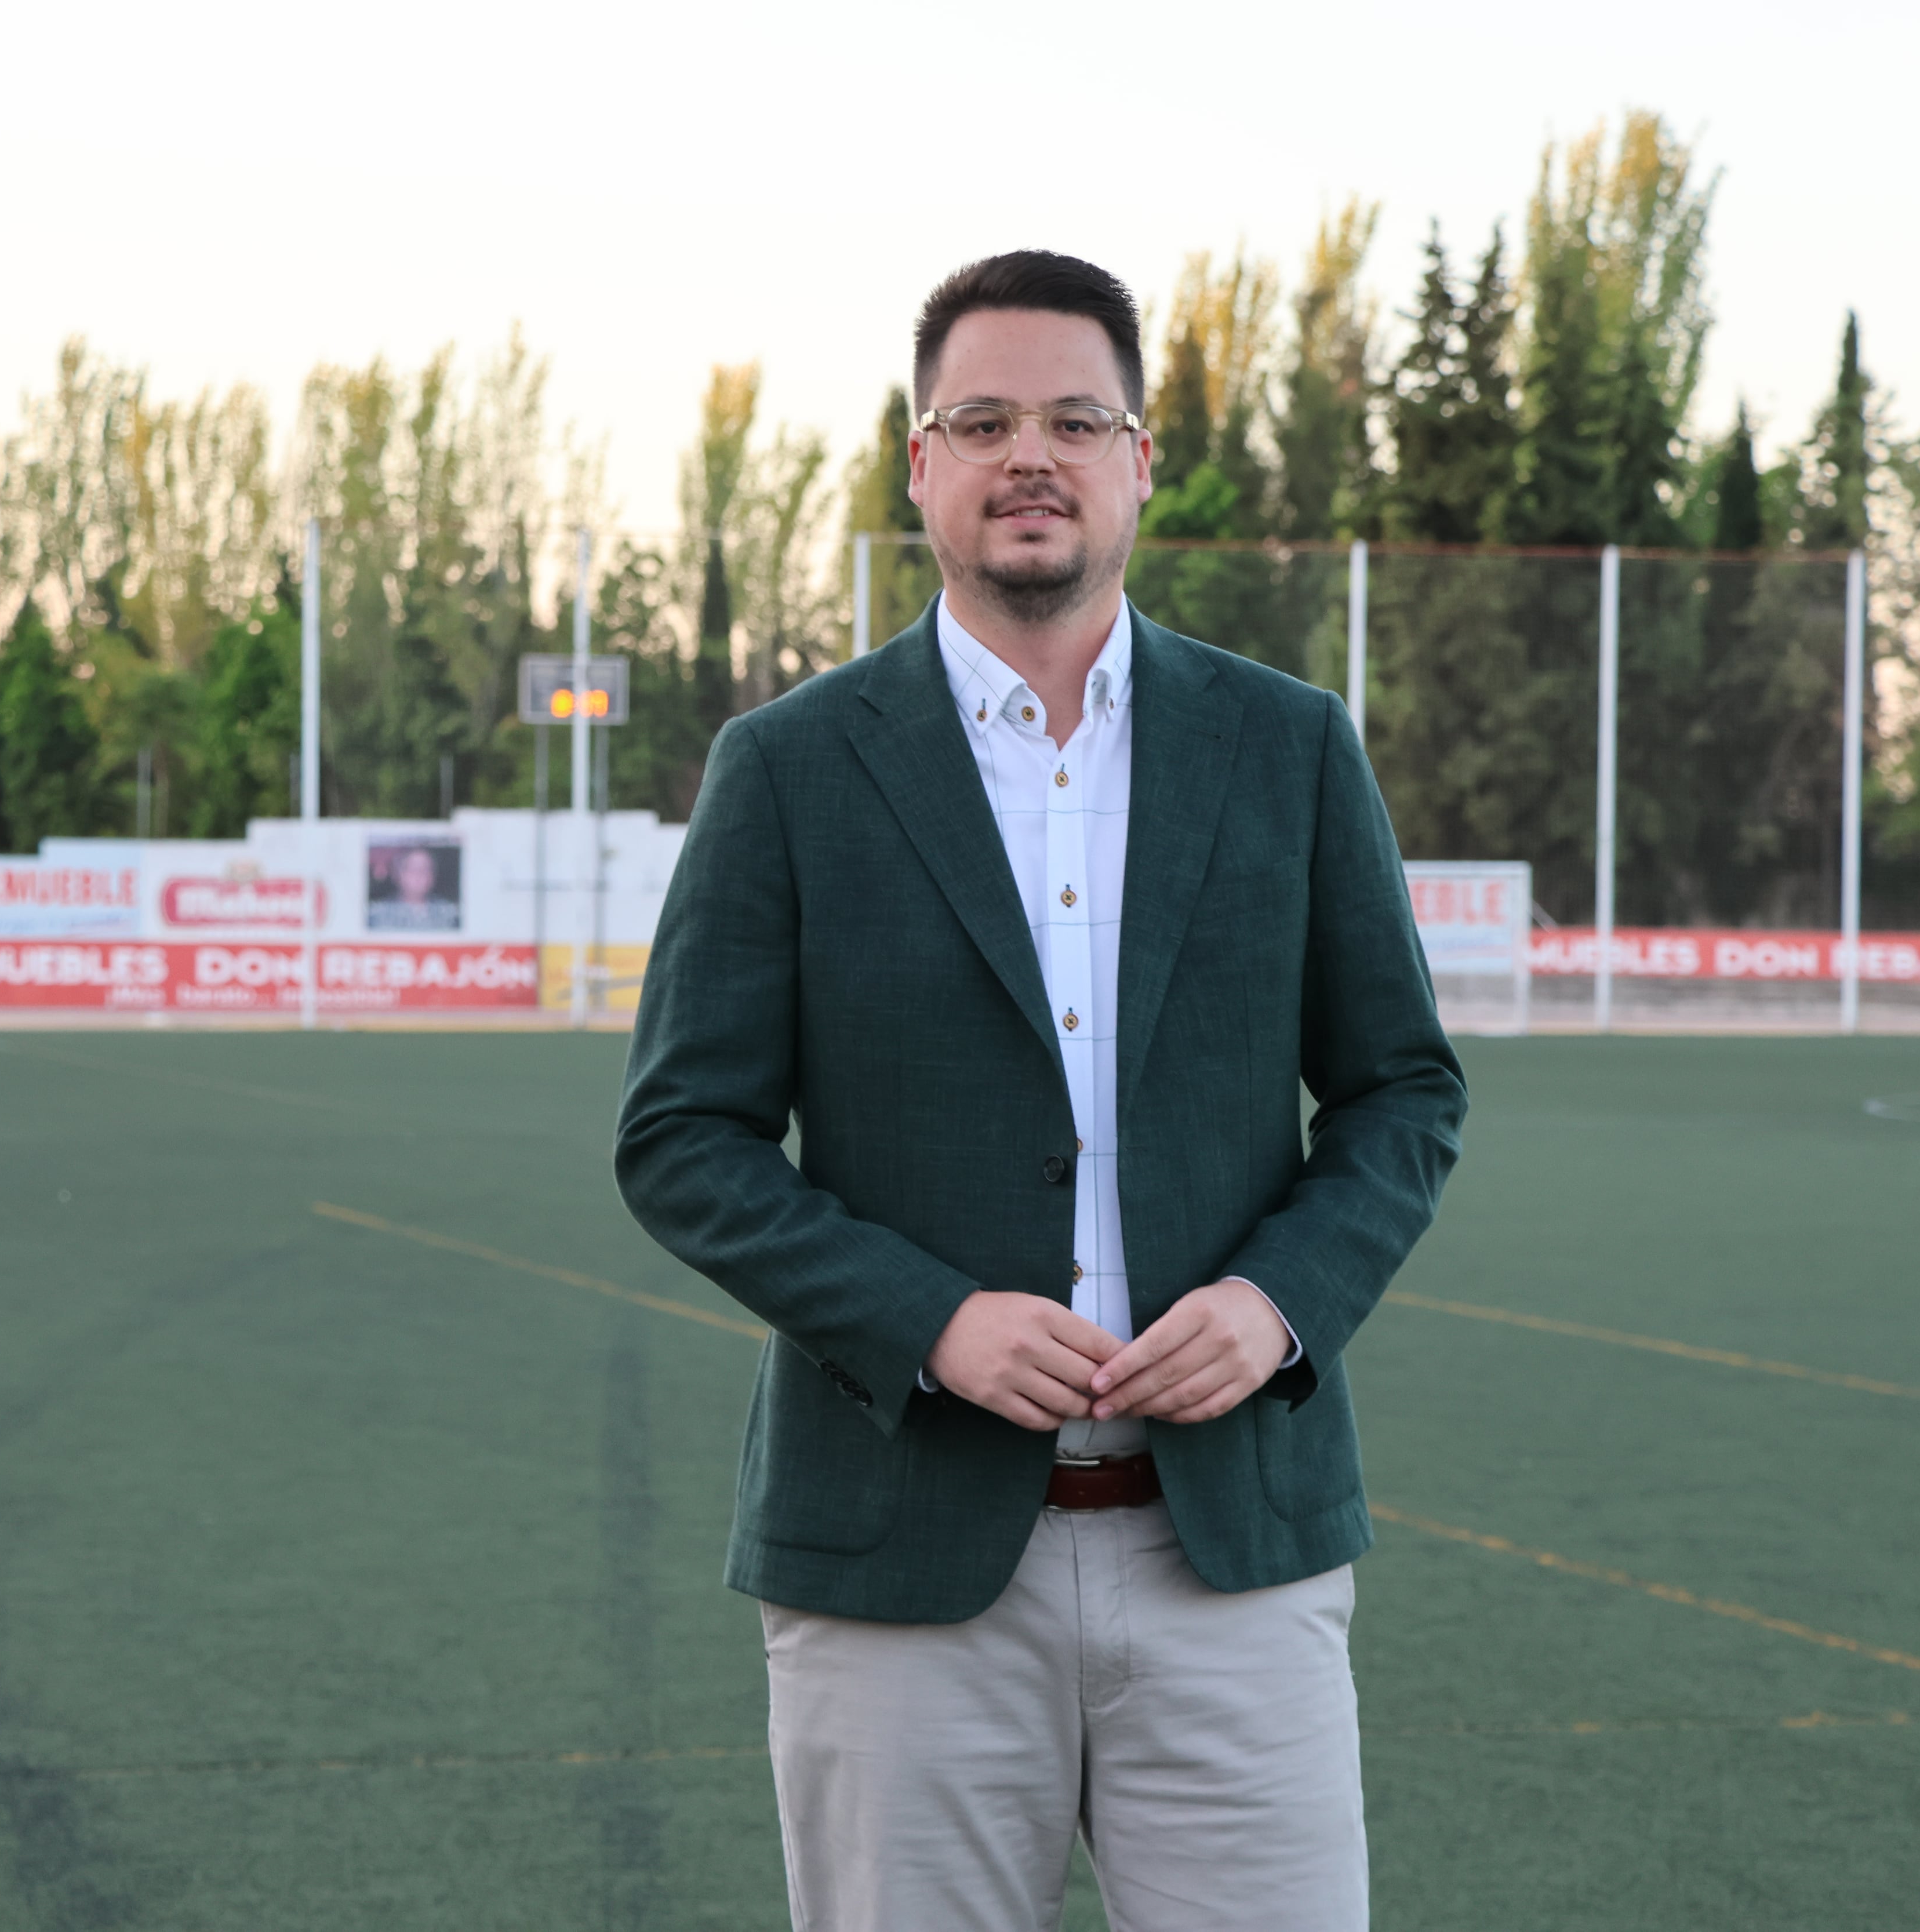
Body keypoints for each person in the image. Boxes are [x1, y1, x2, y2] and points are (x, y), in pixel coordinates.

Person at [614, 250, 1464, 1932]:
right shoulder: (787, 767)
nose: (1032, 454)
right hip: (901, 1566)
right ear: (917, 465)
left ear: (1140, 460)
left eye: (1078, 417)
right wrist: (931, 1319)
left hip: (1232, 1548)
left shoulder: (1288, 747)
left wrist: (1278, 1304)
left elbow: (1402, 1091)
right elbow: (683, 1135)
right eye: (980, 417)